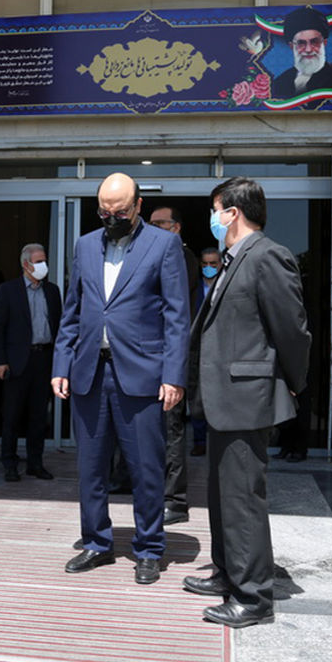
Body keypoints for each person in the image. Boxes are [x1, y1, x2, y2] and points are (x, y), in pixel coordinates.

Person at [185, 177, 311, 627]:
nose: (214, 219)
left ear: (231, 212)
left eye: (215, 210)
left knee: (242, 499)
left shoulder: (267, 257)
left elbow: (292, 329)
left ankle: (253, 597)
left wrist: (293, 382)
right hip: (224, 399)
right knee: (221, 497)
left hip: (248, 397)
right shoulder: (232, 260)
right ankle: (227, 573)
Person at [52, 173, 189, 586]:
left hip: (143, 374)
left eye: (121, 211)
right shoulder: (85, 245)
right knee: (91, 468)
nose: (112, 218)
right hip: (90, 372)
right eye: (105, 211)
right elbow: (73, 310)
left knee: (146, 468)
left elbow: (177, 316)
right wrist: (61, 364)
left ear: (139, 206)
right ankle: (96, 542)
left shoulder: (163, 245)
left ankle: (148, 548)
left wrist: (174, 374)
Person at [147, 205, 202, 526]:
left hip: (173, 358)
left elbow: (175, 311)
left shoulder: (182, 258)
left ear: (176, 228)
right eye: (150, 223)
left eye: (159, 223)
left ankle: (175, 500)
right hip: (155, 358)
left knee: (172, 430)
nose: (152, 228)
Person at [0, 243, 62, 482]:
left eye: (44, 260)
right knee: (12, 416)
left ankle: (35, 463)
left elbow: (60, 327)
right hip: (17, 361)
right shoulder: (8, 290)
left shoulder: (52, 291)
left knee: (38, 416)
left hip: (44, 359)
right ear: (26, 264)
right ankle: (9, 464)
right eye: (39, 261)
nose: (44, 266)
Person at [269, 5, 332, 100]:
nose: (308, 50)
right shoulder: (281, 82)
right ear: (291, 46)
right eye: (301, 43)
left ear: (324, 43)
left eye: (314, 42)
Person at [190, 246, 222, 456]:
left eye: (214, 264)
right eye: (206, 264)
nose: (209, 267)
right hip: (196, 352)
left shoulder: (224, 287)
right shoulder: (192, 290)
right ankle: (199, 440)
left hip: (220, 351)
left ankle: (218, 442)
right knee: (196, 397)